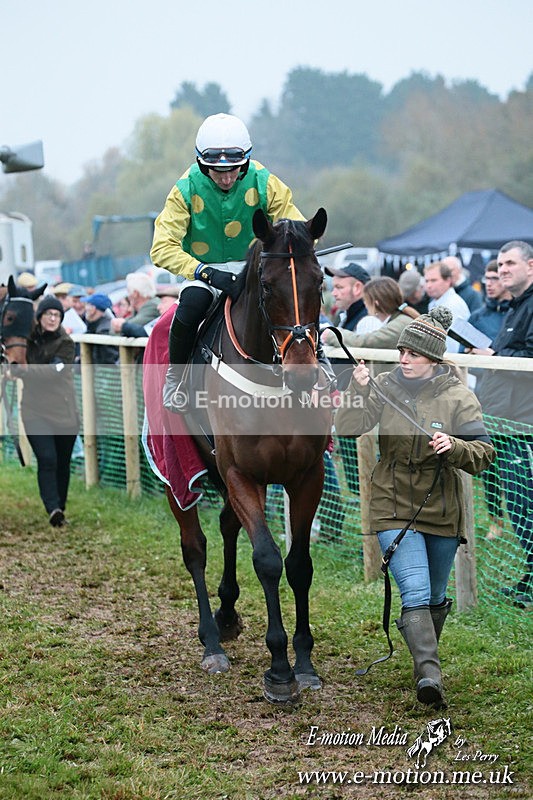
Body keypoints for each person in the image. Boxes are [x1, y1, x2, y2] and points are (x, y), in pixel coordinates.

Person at [335, 307, 494, 707]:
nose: (403, 358)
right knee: (417, 590)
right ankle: (431, 676)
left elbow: (483, 453)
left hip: (440, 506)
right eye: (401, 351)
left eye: (413, 354)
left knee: (435, 596)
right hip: (391, 502)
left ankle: (423, 664)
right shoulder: (383, 384)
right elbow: (349, 427)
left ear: (434, 360)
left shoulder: (460, 397)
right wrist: (357, 389)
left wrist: (454, 446)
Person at [150, 112, 306, 412]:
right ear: (201, 164)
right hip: (204, 271)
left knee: (295, 296)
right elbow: (161, 246)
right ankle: (178, 378)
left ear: (245, 161)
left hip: (255, 269)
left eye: (234, 170)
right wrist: (203, 271)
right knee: (192, 302)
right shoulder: (185, 188)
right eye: (216, 171)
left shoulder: (264, 181)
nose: (226, 178)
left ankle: (318, 359)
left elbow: (294, 223)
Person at [473, 241, 533, 608]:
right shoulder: (513, 307)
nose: (503, 269)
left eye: (511, 262)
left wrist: (495, 355)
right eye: (499, 263)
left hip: (524, 425)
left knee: (525, 505)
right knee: (518, 506)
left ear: (531, 265)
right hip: (504, 421)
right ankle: (530, 574)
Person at [17, 295, 80, 527]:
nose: (53, 319)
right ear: (40, 316)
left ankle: (59, 507)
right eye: (48, 314)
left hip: (65, 414)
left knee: (63, 462)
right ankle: (52, 507)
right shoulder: (27, 339)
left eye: (57, 315)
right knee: (47, 459)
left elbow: (54, 371)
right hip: (34, 411)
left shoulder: (67, 343)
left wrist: (23, 372)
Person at [466, 260, 512, 540]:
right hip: (486, 396)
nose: (490, 283)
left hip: (518, 399)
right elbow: (464, 356)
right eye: (487, 279)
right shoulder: (477, 316)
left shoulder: (518, 314)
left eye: (495, 278)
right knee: (490, 463)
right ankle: (496, 519)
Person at [424, 261, 469, 353]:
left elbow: (452, 346)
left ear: (448, 280)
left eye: (433, 280)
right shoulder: (436, 302)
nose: (428, 285)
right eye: (426, 281)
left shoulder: (453, 305)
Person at [324, 262, 371, 331]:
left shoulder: (368, 321)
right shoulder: (349, 315)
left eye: (339, 287)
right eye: (333, 288)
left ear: (357, 288)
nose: (333, 293)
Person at [110, 272, 160, 337]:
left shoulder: (153, 306)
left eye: (128, 291)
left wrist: (119, 326)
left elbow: (125, 328)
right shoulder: (139, 309)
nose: (127, 296)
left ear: (135, 293)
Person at [81, 292, 119, 364]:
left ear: (93, 309)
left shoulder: (103, 331)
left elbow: (108, 362)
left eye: (87, 305)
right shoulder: (98, 327)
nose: (85, 308)